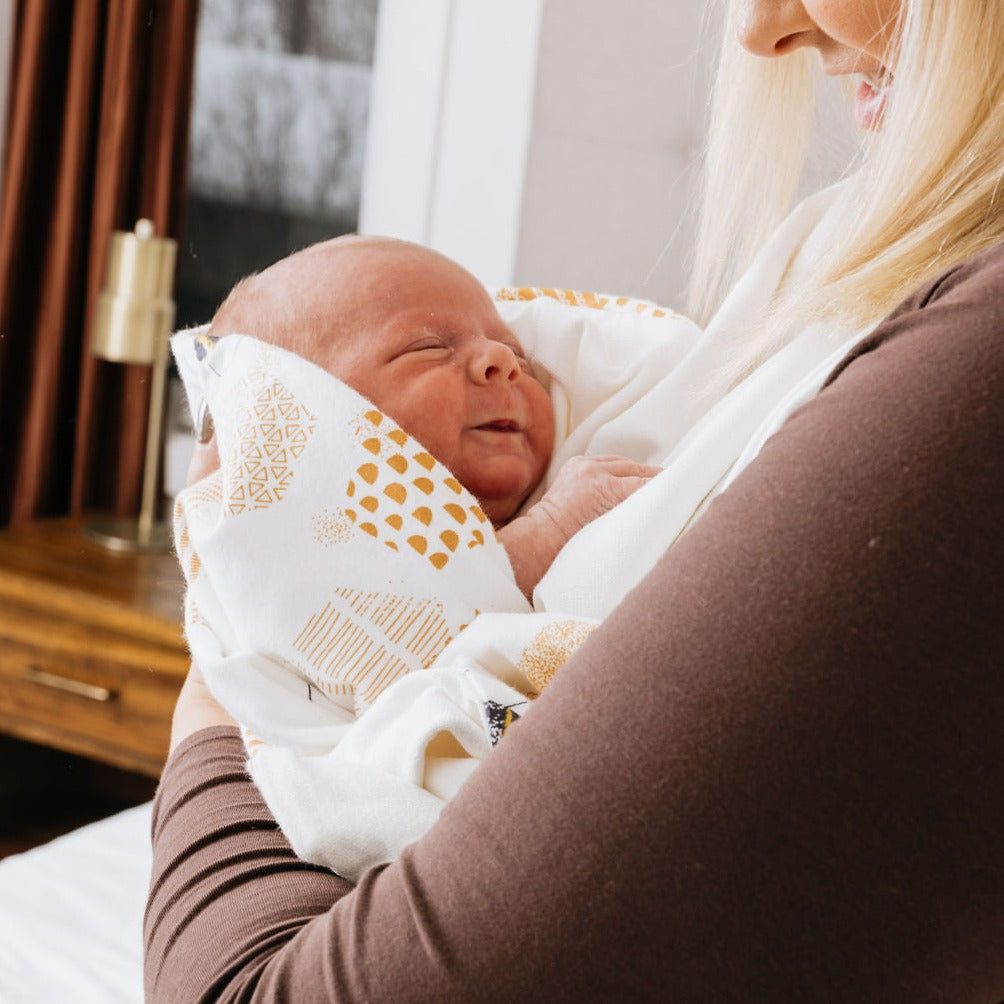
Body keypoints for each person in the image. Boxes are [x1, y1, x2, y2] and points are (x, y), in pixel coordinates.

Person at [146, 0, 1004, 999]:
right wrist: (237, 623)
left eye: (510, 352)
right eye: (429, 351)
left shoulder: (964, 356)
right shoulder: (860, 262)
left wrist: (206, 705)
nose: (761, 30)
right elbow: (379, 616)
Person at [171, 235, 664, 879]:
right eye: (429, 347)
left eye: (518, 355)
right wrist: (549, 527)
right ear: (313, 417)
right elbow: (404, 627)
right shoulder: (302, 532)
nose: (501, 363)